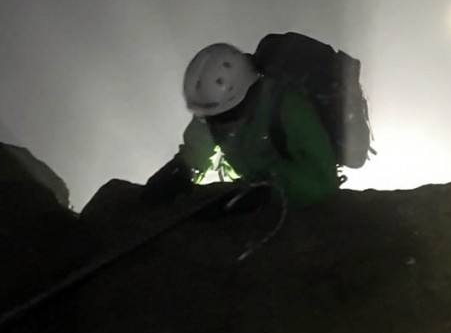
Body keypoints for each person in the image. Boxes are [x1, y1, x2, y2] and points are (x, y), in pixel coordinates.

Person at [142, 40, 342, 208]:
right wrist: (182, 169)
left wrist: (268, 192)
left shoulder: (289, 110)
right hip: (254, 182)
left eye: (222, 117)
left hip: (290, 194)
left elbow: (322, 180)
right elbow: (199, 143)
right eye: (209, 118)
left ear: (243, 98)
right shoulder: (217, 109)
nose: (217, 125)